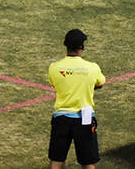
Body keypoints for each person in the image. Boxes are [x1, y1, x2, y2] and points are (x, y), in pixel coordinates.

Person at [48, 29, 106, 169]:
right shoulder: (93, 68)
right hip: (84, 119)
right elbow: (101, 83)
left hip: (61, 118)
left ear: (65, 44)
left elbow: (55, 84)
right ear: (82, 47)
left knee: (56, 161)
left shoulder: (54, 67)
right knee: (88, 162)